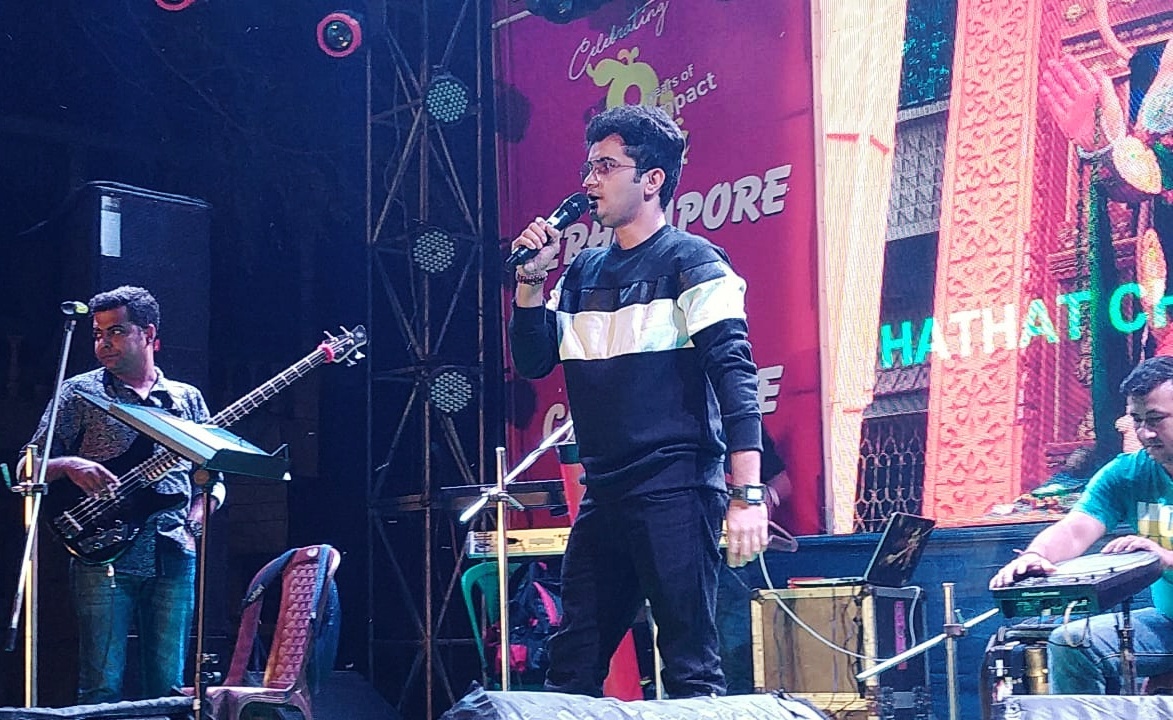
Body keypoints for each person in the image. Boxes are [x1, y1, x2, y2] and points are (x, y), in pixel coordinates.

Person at [508, 103, 769, 698]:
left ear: (652, 179)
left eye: (605, 166)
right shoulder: (583, 272)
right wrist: (531, 282)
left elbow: (735, 376)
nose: (589, 181)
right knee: (571, 665)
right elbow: (533, 360)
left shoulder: (692, 261)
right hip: (605, 491)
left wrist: (748, 494)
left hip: (675, 486)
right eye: (588, 166)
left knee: (689, 665)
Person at [19, 286, 225, 703]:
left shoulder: (186, 399)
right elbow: (26, 465)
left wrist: (197, 521)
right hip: (101, 552)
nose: (104, 343)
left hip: (174, 552)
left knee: (168, 687)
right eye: (97, 334)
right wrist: (69, 464)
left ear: (148, 334)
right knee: (101, 684)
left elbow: (214, 479)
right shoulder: (79, 393)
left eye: (115, 331)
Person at [989, 355, 1173, 694]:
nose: (1144, 433)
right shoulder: (1127, 473)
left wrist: (1164, 558)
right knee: (1072, 642)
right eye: (1136, 420)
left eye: (1156, 420)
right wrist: (1035, 556)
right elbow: (1074, 529)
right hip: (1168, 623)